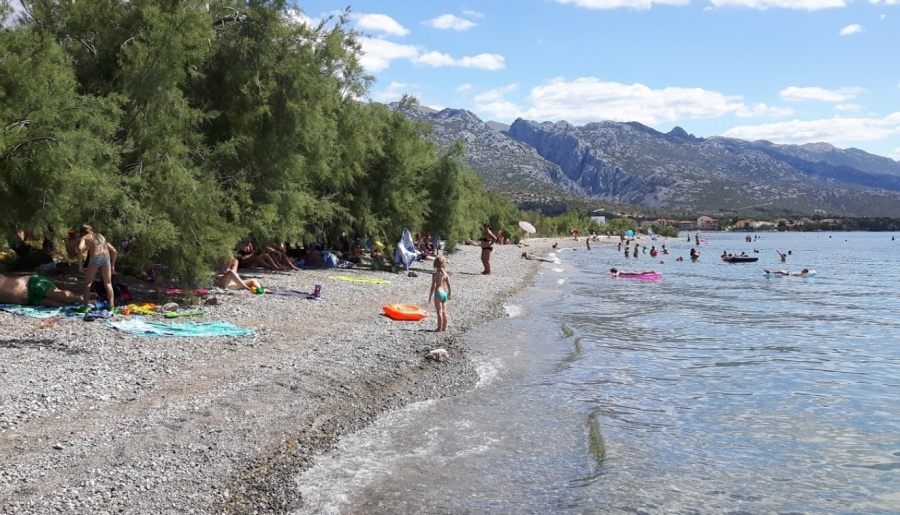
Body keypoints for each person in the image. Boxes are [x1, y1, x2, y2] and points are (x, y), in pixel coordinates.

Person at [77, 224, 118, 308]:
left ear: (81, 233)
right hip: (106, 258)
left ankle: (85, 307)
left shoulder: (85, 237)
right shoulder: (100, 236)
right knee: (108, 283)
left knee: (87, 283)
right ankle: (112, 307)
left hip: (95, 258)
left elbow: (80, 248)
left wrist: (80, 265)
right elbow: (114, 251)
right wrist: (113, 265)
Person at [0, 273, 83, 307]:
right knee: (58, 304)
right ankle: (85, 298)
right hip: (29, 300)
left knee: (59, 295)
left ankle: (85, 299)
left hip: (31, 284)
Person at [428, 255, 452, 332]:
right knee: (444, 312)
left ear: (435, 264)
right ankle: (445, 327)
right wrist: (449, 294)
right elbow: (449, 285)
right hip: (444, 293)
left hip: (438, 293)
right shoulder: (445, 274)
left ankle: (439, 328)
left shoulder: (435, 274)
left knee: (439, 312)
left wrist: (430, 296)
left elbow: (433, 286)